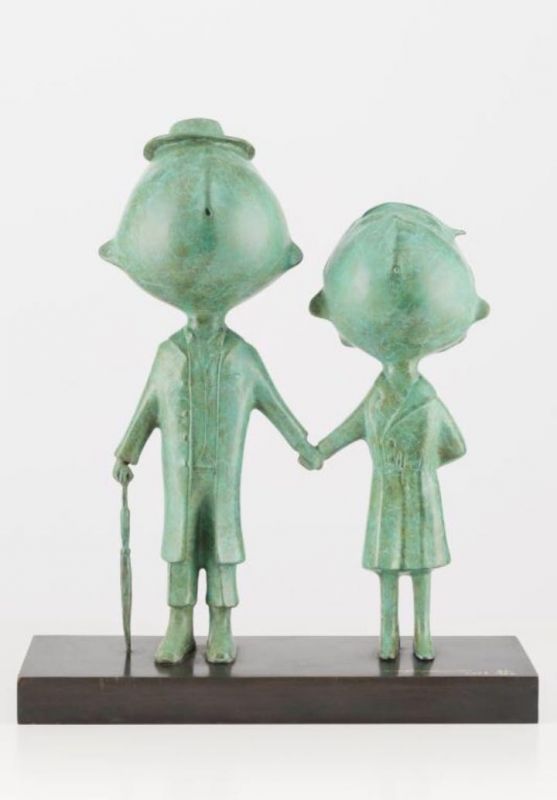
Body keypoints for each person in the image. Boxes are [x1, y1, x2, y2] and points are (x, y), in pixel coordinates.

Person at [103, 119, 322, 665]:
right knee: (179, 545)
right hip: (182, 475)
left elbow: (274, 404)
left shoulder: (241, 357)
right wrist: (127, 452)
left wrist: (303, 443)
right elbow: (147, 409)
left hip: (220, 474)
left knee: (223, 545)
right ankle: (179, 623)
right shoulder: (169, 355)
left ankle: (222, 625)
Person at [306, 203, 488, 661]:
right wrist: (322, 449)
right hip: (393, 490)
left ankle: (422, 632)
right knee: (389, 569)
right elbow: (352, 427)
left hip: (412, 490)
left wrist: (418, 465)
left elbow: (456, 445)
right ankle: (389, 633)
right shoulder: (381, 398)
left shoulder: (425, 398)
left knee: (420, 569)